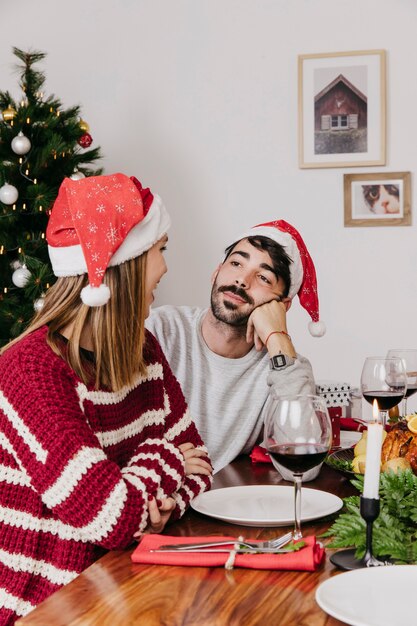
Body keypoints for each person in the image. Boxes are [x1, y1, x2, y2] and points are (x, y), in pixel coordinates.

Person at [0, 173, 212, 625]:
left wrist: (160, 506)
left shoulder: (143, 352)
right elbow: (111, 516)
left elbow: (203, 466)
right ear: (126, 264)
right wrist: (166, 458)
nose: (167, 267)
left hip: (124, 585)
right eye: (162, 250)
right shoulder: (30, 371)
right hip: (49, 607)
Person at [147, 220, 325, 474]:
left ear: (282, 306)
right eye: (236, 263)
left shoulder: (284, 364)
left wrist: (278, 338)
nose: (242, 279)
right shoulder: (160, 330)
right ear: (216, 272)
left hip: (223, 506)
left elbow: (304, 470)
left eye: (263, 277)